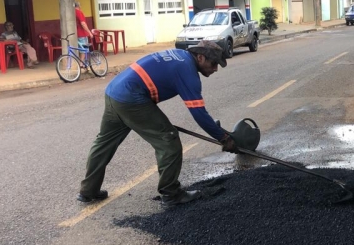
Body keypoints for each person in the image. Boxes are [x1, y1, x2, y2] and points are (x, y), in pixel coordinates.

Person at [77, 41, 238, 207]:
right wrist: (223, 137)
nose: (215, 69)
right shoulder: (188, 71)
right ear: (200, 57)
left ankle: (88, 191)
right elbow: (199, 113)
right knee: (168, 140)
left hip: (114, 92)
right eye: (213, 64)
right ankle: (171, 193)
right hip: (131, 98)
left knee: (104, 143)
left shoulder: (180, 56)